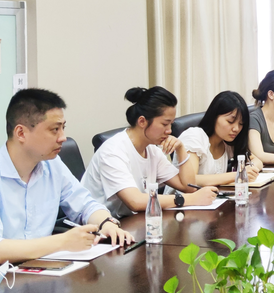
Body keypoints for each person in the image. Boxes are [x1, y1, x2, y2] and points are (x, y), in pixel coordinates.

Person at [0, 88, 135, 278]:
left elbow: (84, 203)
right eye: (54, 129)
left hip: (30, 273)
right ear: (21, 133)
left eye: (63, 127)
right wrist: (62, 242)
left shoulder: (52, 165)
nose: (62, 137)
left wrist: (106, 223)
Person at [82, 86, 218, 217]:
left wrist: (181, 149)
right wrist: (190, 199)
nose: (169, 130)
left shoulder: (152, 150)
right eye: (164, 124)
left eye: (171, 124)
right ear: (142, 121)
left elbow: (188, 187)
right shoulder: (113, 151)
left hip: (134, 220)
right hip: (100, 226)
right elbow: (135, 202)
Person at [178, 91, 262, 189]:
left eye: (241, 124)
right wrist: (239, 174)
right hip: (181, 197)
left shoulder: (227, 144)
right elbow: (191, 181)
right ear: (214, 116)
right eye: (230, 121)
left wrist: (249, 170)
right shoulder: (194, 136)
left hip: (211, 197)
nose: (236, 129)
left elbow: (257, 161)